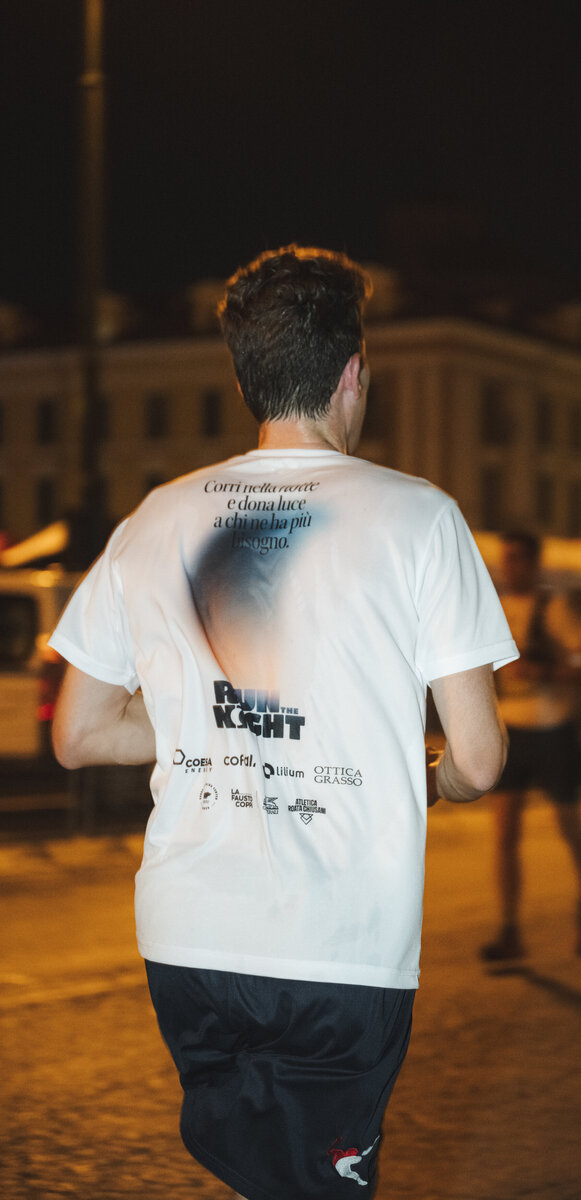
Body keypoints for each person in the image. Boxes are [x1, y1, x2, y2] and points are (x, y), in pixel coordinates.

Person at [50, 245, 515, 1200]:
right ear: (353, 374)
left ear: (242, 376)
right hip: (336, 946)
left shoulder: (152, 519)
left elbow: (78, 735)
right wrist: (425, 774)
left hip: (185, 943)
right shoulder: (419, 518)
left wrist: (202, 726)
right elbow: (478, 755)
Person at [480, 532, 581, 963]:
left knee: (570, 826)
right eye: (505, 559)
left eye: (517, 559)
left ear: (534, 564)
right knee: (505, 835)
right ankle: (510, 930)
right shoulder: (491, 610)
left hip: (553, 731)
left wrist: (542, 671)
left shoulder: (554, 609)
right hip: (511, 732)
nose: (509, 567)